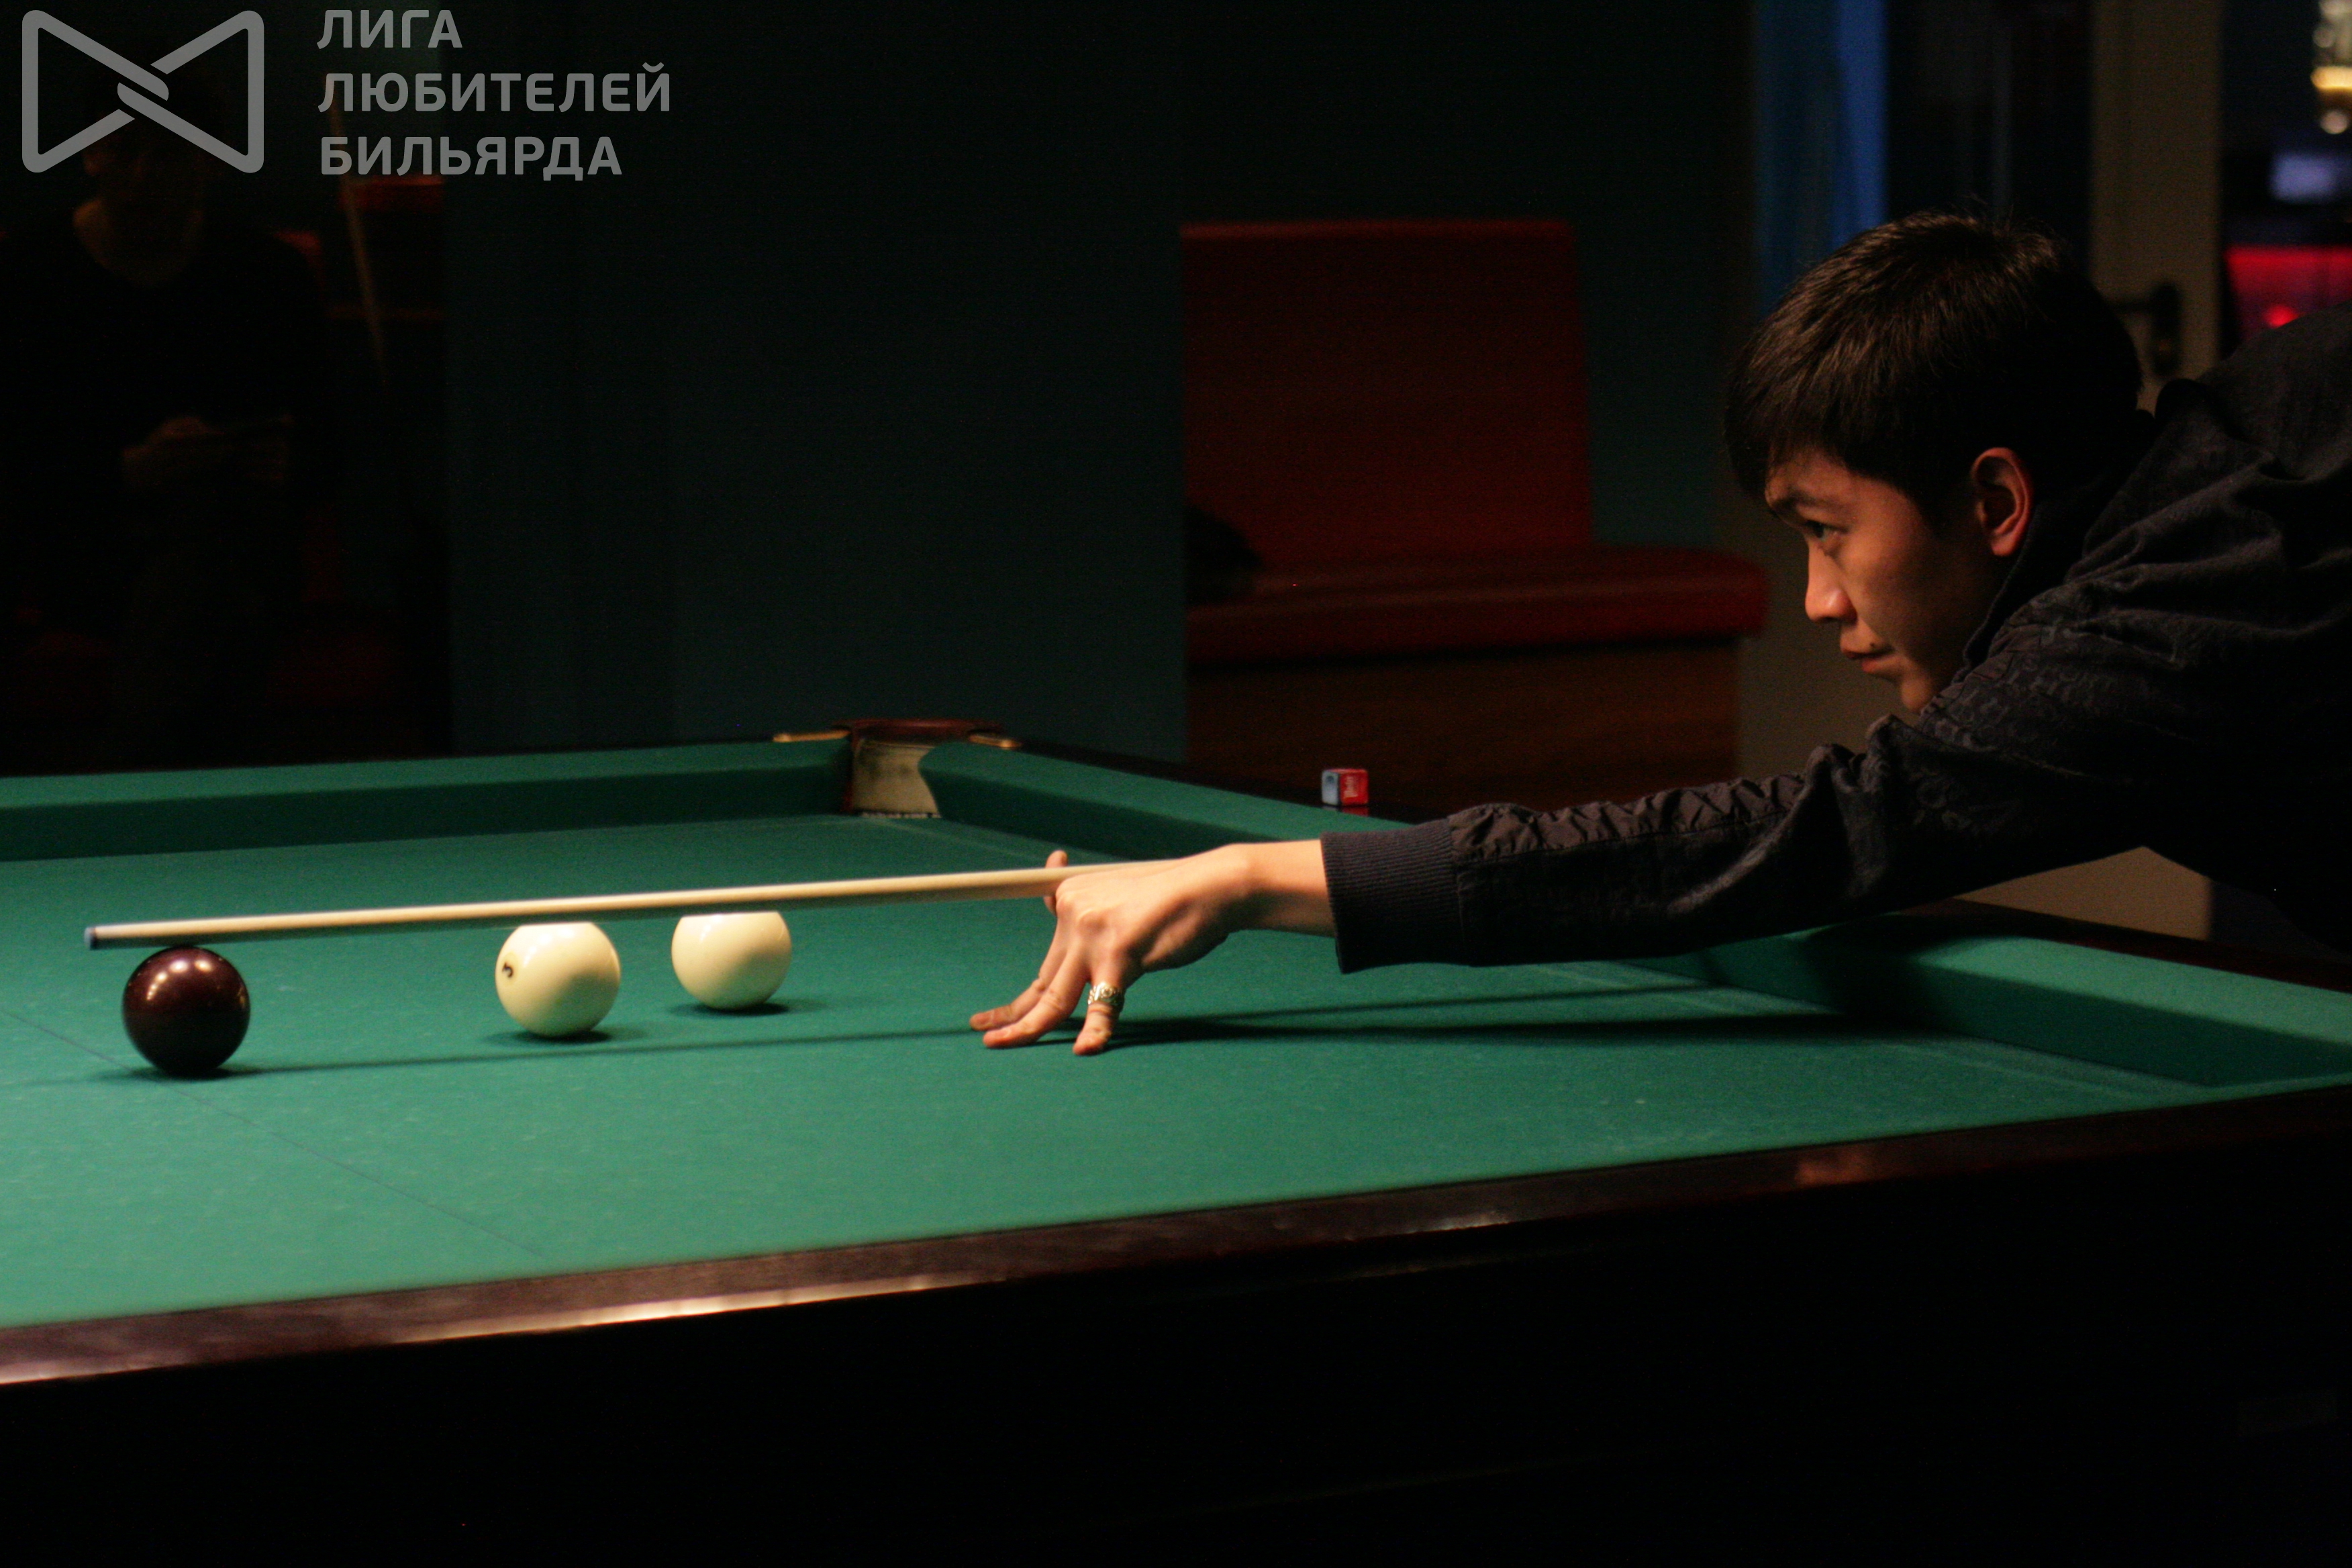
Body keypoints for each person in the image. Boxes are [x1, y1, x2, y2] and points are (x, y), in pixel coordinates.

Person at [973, 211, 2352, 1055]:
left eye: (1827, 530)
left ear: (1994, 502)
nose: (1815, 600)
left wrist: (1251, 877)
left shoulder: (2152, 633)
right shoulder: (2250, 445)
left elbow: (1807, 834)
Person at [0, 67, 332, 767]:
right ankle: (163, 785)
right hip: (85, 543)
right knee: (227, 607)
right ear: (91, 155)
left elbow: (330, 438)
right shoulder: (26, 274)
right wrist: (127, 470)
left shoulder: (265, 275)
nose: (143, 178)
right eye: (123, 152)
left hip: (233, 530)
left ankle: (127, 780)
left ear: (210, 162)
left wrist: (283, 461)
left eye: (170, 154)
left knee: (213, 536)